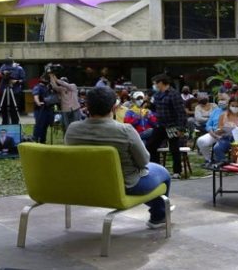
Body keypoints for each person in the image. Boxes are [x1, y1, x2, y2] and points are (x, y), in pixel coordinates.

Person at [64, 86, 171, 229]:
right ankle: (158, 216)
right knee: (163, 173)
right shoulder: (125, 130)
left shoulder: (72, 129)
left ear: (87, 107)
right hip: (124, 186)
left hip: (87, 185)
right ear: (114, 108)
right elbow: (144, 161)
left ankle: (159, 209)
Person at [146, 74, 187, 179]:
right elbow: (154, 108)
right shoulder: (157, 94)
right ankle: (156, 169)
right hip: (160, 124)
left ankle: (177, 171)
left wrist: (181, 128)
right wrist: (148, 103)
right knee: (151, 145)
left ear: (161, 82)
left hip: (172, 125)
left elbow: (180, 112)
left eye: (155, 83)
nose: (154, 85)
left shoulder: (174, 94)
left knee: (174, 148)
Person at [195, 94, 228, 164]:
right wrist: (213, 134)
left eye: (223, 99)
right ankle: (208, 159)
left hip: (227, 135)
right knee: (201, 140)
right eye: (219, 100)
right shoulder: (216, 111)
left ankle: (222, 160)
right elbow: (208, 124)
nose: (221, 102)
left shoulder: (231, 112)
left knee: (218, 146)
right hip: (214, 133)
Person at [0, 57, 26, 124]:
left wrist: (16, 81)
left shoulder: (19, 68)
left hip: (15, 91)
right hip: (4, 89)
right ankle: (5, 123)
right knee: (3, 108)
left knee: (14, 109)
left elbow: (24, 80)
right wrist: (2, 74)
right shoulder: (3, 66)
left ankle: (15, 124)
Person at [31, 78, 55, 144]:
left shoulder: (48, 87)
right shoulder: (37, 87)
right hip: (40, 109)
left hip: (48, 109)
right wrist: (38, 102)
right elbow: (36, 96)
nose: (47, 80)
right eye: (45, 79)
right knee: (39, 125)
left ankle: (43, 141)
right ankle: (35, 140)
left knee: (45, 126)